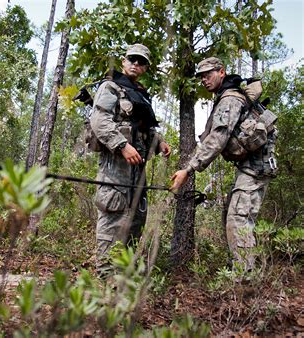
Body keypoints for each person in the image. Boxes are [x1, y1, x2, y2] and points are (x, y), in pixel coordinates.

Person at [170, 57, 276, 272]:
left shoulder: (230, 99)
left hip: (256, 168)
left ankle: (244, 282)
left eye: (208, 74)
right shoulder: (227, 97)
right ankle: (239, 271)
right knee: (233, 215)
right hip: (252, 167)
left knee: (238, 221)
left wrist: (188, 169)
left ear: (222, 72)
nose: (204, 80)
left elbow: (217, 139)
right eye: (201, 76)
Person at [90, 44, 171, 278]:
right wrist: (122, 145)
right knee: (111, 222)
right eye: (132, 59)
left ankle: (124, 280)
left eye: (141, 61)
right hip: (115, 171)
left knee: (135, 224)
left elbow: (143, 128)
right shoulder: (110, 87)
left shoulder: (141, 94)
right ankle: (105, 284)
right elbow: (99, 121)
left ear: (145, 67)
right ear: (124, 62)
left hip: (138, 175)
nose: (136, 64)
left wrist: (159, 142)